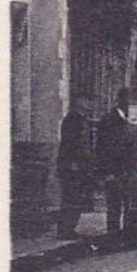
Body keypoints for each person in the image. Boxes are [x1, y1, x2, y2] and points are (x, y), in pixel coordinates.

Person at [96, 88, 137, 243]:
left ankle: (129, 235)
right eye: (131, 102)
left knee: (131, 204)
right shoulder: (108, 120)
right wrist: (106, 172)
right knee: (114, 205)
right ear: (122, 102)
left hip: (132, 171)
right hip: (115, 170)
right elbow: (102, 148)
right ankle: (112, 236)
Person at [55, 99, 96, 239]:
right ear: (81, 104)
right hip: (73, 166)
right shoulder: (73, 120)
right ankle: (65, 229)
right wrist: (76, 163)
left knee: (76, 198)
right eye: (89, 102)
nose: (91, 105)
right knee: (71, 198)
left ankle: (69, 228)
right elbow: (72, 144)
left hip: (77, 165)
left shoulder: (80, 120)